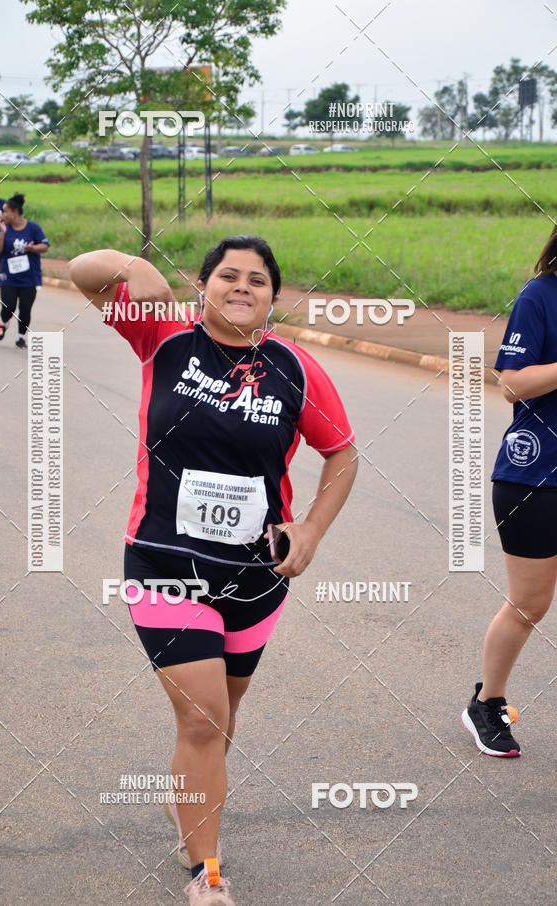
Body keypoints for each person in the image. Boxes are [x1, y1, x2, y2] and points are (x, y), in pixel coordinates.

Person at [69, 236, 358, 905]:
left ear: (272, 299)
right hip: (164, 562)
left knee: (220, 718)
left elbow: (342, 455)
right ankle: (208, 872)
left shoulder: (296, 370)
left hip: (257, 578)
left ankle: (189, 813)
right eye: (228, 275)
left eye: (258, 279)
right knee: (203, 718)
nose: (242, 286)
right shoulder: (163, 338)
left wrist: (311, 528)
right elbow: (85, 274)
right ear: (202, 286)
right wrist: (129, 266)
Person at [462, 223, 557, 758]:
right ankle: (487, 703)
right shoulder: (540, 295)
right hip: (536, 476)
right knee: (530, 603)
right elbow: (511, 382)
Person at [0, 193, 49, 348]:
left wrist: (33, 248)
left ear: (15, 212)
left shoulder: (33, 228)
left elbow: (45, 246)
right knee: (8, 307)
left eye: (5, 211)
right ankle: (4, 322)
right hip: (8, 277)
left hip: (29, 277)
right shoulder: (3, 228)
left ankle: (20, 337)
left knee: (25, 308)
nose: (3, 215)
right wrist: (2, 233)